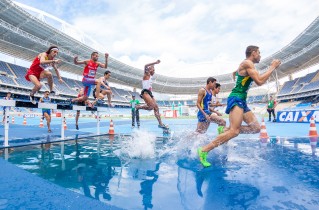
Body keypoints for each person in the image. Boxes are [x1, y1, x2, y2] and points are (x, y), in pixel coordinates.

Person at [198, 45, 281, 167]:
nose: (260, 55)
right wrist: (272, 67)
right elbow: (259, 81)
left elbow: (241, 74)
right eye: (259, 53)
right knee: (235, 132)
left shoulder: (246, 65)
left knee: (256, 128)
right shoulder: (247, 63)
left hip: (242, 100)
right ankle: (204, 150)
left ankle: (226, 130)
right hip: (236, 99)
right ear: (253, 53)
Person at [136, 60, 168, 129]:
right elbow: (145, 66)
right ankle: (138, 107)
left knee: (156, 107)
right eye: (153, 70)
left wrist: (154, 66)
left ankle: (160, 124)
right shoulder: (147, 74)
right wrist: (155, 63)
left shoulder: (150, 76)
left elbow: (151, 68)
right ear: (150, 70)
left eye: (154, 70)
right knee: (151, 107)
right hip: (145, 93)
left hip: (150, 94)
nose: (154, 71)